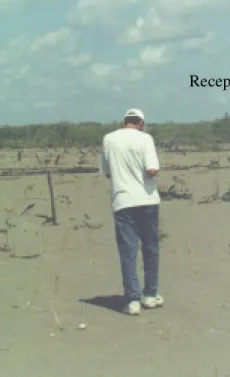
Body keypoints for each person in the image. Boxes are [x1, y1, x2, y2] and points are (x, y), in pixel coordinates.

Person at [100, 108, 163, 316]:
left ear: (124, 121)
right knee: (150, 248)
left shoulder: (108, 139)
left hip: (123, 201)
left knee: (128, 252)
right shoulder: (145, 139)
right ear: (141, 123)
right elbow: (152, 169)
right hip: (147, 200)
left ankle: (133, 300)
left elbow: (107, 173)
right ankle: (150, 295)